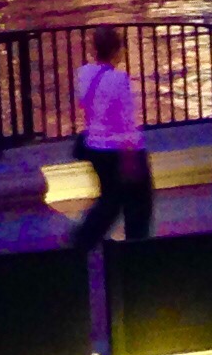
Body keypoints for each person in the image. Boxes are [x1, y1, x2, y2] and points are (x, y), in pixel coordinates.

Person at [66, 26, 153, 248]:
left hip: (95, 146)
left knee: (110, 200)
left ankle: (82, 241)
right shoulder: (119, 79)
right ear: (117, 50)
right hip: (119, 149)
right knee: (138, 202)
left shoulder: (84, 74)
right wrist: (132, 156)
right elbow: (126, 122)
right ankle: (136, 247)